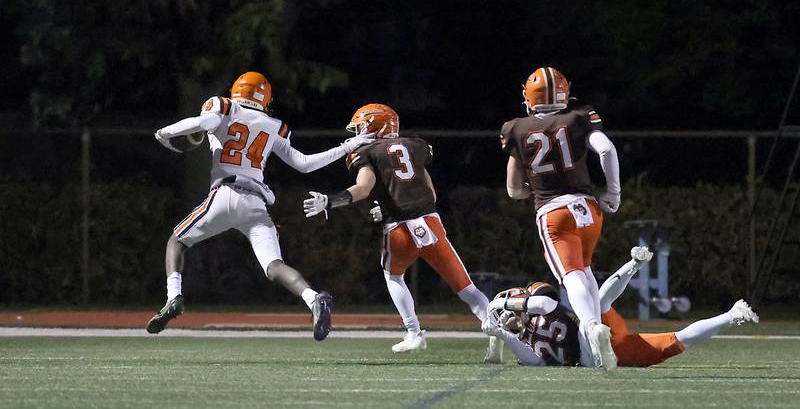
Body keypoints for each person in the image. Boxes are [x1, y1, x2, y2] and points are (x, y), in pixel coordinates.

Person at [146, 71, 374, 340]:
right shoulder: (274, 124)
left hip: (226, 191)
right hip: (256, 202)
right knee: (274, 265)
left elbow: (201, 121)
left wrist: (165, 132)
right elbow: (304, 164)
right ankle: (314, 299)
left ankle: (174, 298)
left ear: (237, 90)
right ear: (265, 97)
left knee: (177, 241)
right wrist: (347, 147)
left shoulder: (224, 106)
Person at [302, 104, 500, 359]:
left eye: (362, 126)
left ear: (374, 126)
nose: (358, 131)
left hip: (398, 230)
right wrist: (388, 206)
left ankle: (414, 333)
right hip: (431, 224)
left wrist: (330, 201)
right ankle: (496, 336)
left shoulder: (367, 152)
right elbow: (430, 193)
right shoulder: (416, 145)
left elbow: (363, 188)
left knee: (394, 277)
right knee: (467, 289)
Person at [500, 66, 621, 369]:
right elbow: (606, 150)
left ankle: (592, 329)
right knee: (586, 272)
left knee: (572, 277)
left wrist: (534, 187)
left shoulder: (516, 127)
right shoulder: (579, 118)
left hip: (553, 211)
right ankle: (592, 345)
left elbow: (514, 190)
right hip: (589, 210)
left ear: (529, 98)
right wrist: (613, 194)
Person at [483, 247, 760, 367]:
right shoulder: (533, 325)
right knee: (601, 306)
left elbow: (542, 304)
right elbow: (534, 360)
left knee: (673, 341)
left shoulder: (541, 308)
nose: (509, 315)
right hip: (597, 337)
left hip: (593, 353)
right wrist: (502, 334)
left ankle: (730, 315)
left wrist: (502, 304)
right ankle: (731, 314)